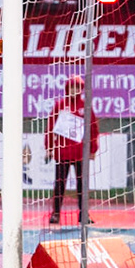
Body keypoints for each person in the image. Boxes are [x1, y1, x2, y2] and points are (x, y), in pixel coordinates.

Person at [45, 75, 100, 226]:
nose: (74, 90)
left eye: (77, 87)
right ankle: (55, 214)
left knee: (82, 184)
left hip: (80, 153)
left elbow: (93, 128)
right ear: (67, 88)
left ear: (81, 89)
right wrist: (49, 147)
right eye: (71, 87)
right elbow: (50, 127)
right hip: (62, 152)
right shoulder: (60, 105)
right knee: (59, 184)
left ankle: (84, 214)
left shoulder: (85, 106)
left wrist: (93, 148)